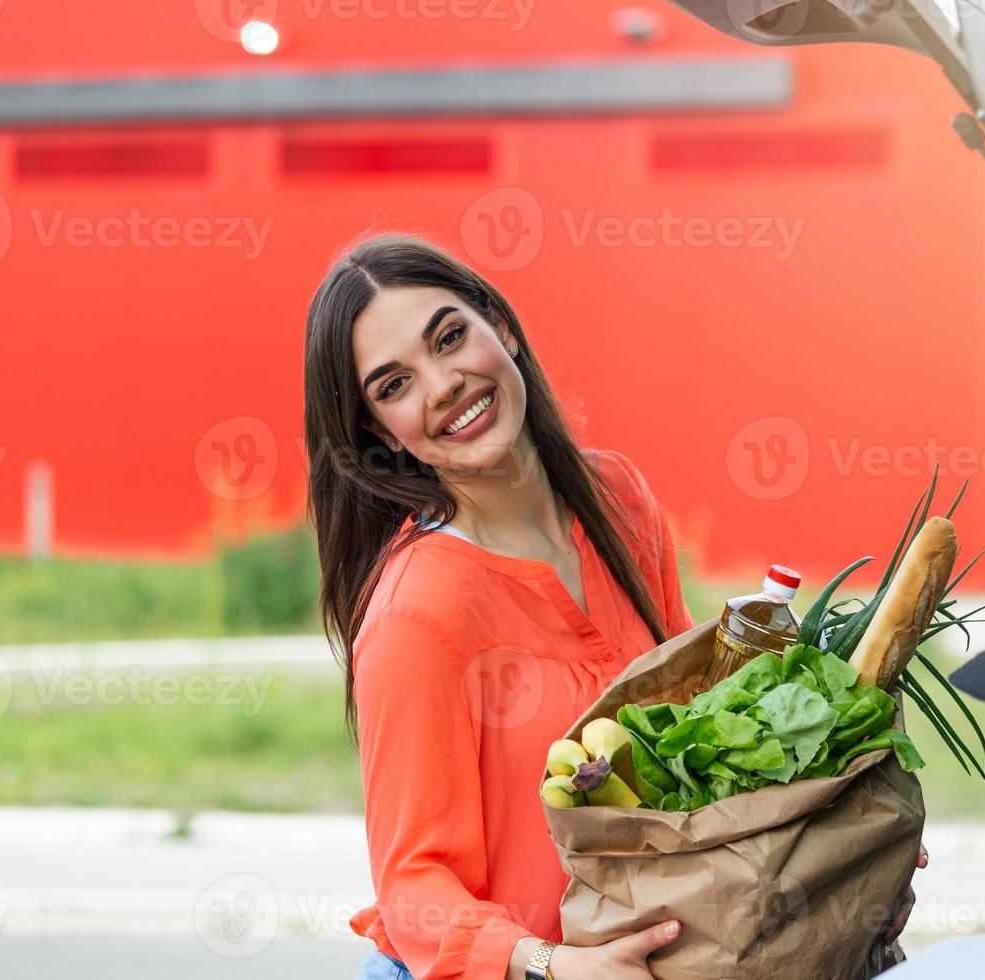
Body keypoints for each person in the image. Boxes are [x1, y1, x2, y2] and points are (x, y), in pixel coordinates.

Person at [303, 233, 919, 980]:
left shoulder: (616, 499)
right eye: (394, 385)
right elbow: (411, 888)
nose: (443, 386)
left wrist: (831, 834)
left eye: (450, 336)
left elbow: (695, 748)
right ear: (378, 431)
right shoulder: (417, 614)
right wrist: (553, 965)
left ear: (499, 323)